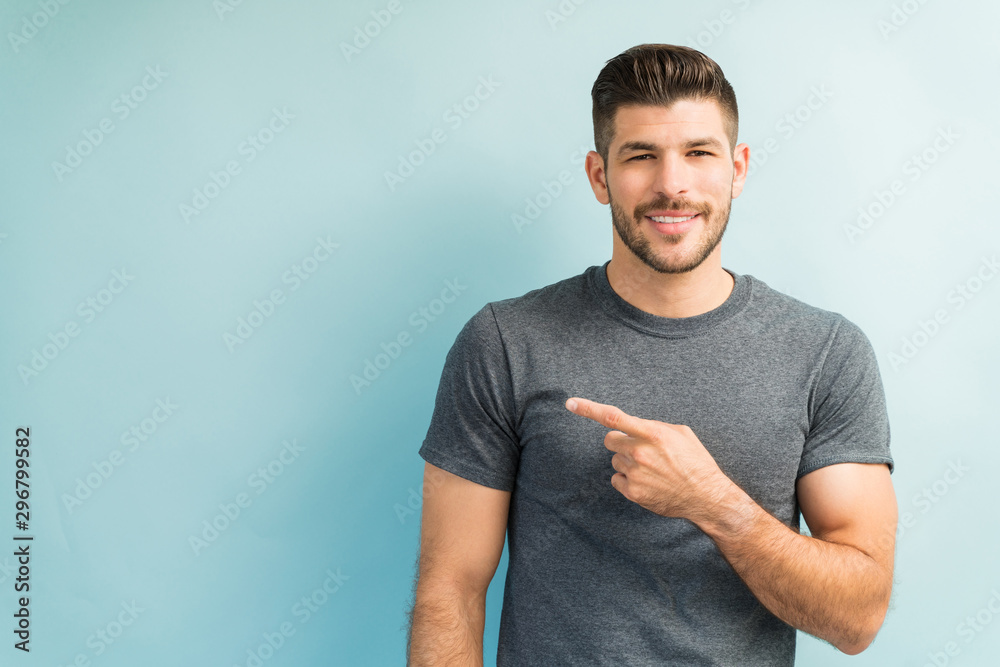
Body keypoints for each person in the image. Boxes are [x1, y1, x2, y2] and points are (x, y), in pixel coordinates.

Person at [406, 43, 896, 666]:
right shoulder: (505, 342)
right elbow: (450, 590)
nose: (673, 185)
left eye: (699, 153)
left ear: (737, 169)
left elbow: (857, 619)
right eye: (641, 156)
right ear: (598, 175)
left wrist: (713, 503)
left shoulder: (827, 354)